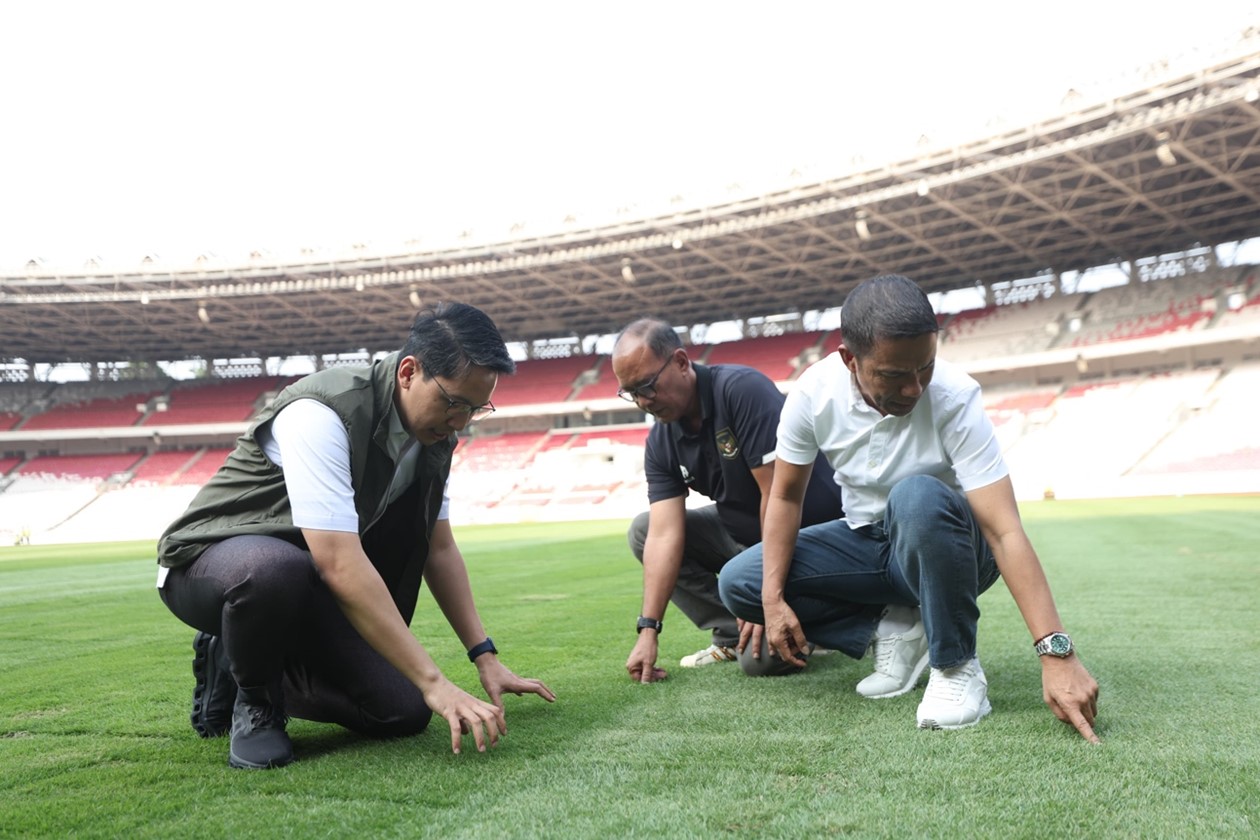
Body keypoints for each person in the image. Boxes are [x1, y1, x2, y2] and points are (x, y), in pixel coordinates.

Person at [156, 302, 555, 769]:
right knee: (274, 570)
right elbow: (339, 563)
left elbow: (439, 550)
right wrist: (436, 682)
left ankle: (243, 653)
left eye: (476, 407)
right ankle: (257, 704)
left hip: (302, 583)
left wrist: (483, 657)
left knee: (401, 711)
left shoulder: (434, 440)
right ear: (409, 372)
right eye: (453, 403)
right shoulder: (322, 412)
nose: (461, 422)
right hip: (210, 565)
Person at [718, 274, 1100, 740]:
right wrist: (773, 600)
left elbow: (1004, 530)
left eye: (926, 367)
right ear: (849, 360)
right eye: (894, 375)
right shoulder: (812, 395)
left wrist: (1056, 654)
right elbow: (784, 496)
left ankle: (957, 667)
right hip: (870, 542)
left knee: (915, 495)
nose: (915, 388)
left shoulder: (955, 396)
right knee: (742, 583)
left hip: (955, 546)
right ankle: (896, 625)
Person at [612, 318, 845, 683]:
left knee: (762, 663)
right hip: (745, 538)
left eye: (647, 386)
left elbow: (778, 495)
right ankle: (732, 630)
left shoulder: (741, 391)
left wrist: (760, 594)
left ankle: (825, 618)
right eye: (630, 392)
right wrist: (648, 630)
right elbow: (662, 535)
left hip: (809, 538)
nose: (643, 401)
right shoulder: (661, 441)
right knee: (643, 531)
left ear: (681, 362)